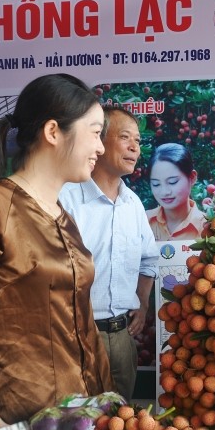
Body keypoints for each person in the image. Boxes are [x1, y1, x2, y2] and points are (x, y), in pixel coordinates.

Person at [0, 74, 114, 430]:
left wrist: (104, 409)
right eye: (95, 132)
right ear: (53, 131)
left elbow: (82, 327)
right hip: (16, 425)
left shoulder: (63, 217)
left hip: (75, 424)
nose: (101, 147)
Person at [60, 106, 159, 402]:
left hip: (122, 338)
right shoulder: (67, 198)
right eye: (125, 137)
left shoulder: (133, 204)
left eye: (138, 141)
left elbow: (148, 260)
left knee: (119, 429)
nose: (134, 148)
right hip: (76, 338)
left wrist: (142, 306)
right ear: (98, 144)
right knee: (76, 427)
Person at [146, 143, 206, 241]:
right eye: (156, 184)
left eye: (172, 182)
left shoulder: (207, 226)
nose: (164, 192)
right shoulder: (142, 222)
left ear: (192, 177)